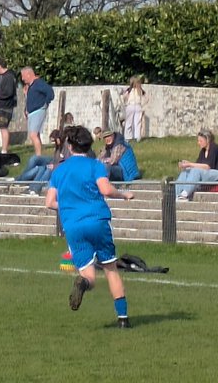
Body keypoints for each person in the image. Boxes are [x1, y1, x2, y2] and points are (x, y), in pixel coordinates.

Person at [45, 125, 135, 329]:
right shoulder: (95, 165)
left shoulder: (60, 170)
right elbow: (105, 189)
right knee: (110, 268)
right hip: (97, 220)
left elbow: (49, 202)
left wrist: (69, 205)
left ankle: (83, 283)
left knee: (88, 275)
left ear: (69, 146)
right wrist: (123, 194)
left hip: (73, 225)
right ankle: (123, 319)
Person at [174, 130, 218, 201]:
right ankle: (176, 194)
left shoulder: (214, 148)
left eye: (200, 141)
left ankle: (184, 195)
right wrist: (187, 165)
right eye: (198, 141)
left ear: (207, 140)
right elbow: (198, 165)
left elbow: (207, 167)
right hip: (211, 173)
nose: (198, 143)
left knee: (195, 171)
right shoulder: (203, 151)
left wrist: (189, 164)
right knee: (186, 171)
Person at [17, 128, 66, 195]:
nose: (53, 144)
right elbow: (56, 159)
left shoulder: (66, 148)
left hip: (60, 169)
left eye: (54, 141)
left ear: (58, 139)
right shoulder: (58, 148)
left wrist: (54, 166)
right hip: (55, 164)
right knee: (41, 168)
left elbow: (68, 163)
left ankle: (35, 189)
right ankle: (31, 187)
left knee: (48, 170)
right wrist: (51, 164)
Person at [19, 66, 55, 157]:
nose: (22, 79)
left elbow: (50, 92)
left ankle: (38, 155)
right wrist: (26, 109)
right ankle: (40, 154)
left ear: (28, 74)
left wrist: (45, 104)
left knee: (33, 134)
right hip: (32, 112)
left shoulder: (38, 83)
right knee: (36, 134)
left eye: (23, 76)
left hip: (38, 111)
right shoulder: (31, 86)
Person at [0, 58, 18, 152]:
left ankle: (4, 151)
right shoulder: (5, 77)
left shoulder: (9, 77)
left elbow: (9, 92)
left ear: (0, 67)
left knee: (3, 127)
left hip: (4, 107)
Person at [123, 75, 149, 142]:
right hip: (138, 106)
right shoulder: (140, 90)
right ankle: (137, 137)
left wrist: (126, 102)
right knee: (137, 122)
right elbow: (147, 98)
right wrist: (142, 105)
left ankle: (127, 137)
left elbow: (124, 97)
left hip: (130, 106)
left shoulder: (129, 90)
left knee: (128, 122)